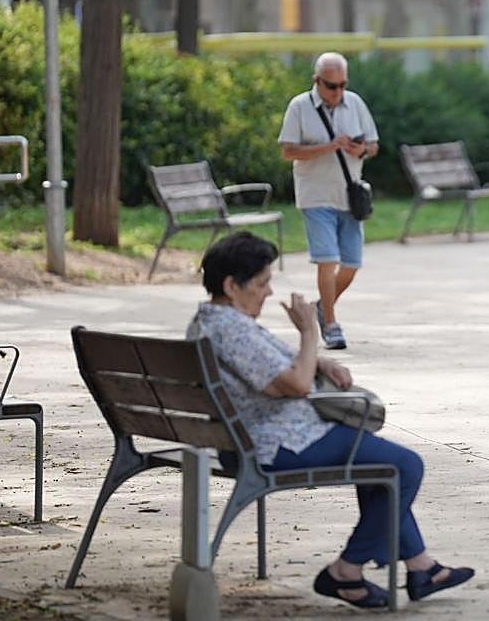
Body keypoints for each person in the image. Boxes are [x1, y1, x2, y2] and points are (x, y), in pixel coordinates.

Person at [186, 231, 474, 610]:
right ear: (231, 285)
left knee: (378, 464)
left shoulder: (209, 321)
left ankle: (422, 567)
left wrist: (317, 360)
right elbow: (296, 384)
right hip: (277, 443)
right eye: (262, 283)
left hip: (243, 439)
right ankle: (345, 572)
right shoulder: (232, 330)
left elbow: (275, 366)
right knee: (405, 466)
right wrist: (309, 334)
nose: (269, 292)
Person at [279, 52, 379, 351]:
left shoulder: (355, 103)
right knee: (328, 261)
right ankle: (332, 325)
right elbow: (287, 151)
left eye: (341, 85)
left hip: (349, 195)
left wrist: (359, 150)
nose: (336, 92)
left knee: (351, 264)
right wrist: (327, 147)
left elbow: (374, 145)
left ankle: (319, 308)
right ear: (316, 81)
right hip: (315, 196)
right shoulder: (299, 106)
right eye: (330, 85)